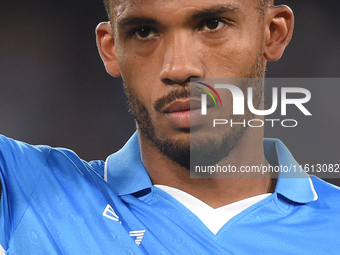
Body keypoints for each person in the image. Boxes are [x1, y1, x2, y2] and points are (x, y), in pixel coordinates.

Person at [0, 0, 339, 254]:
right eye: (143, 31)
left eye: (212, 24)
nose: (179, 67)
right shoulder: (22, 190)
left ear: (273, 33)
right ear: (110, 48)